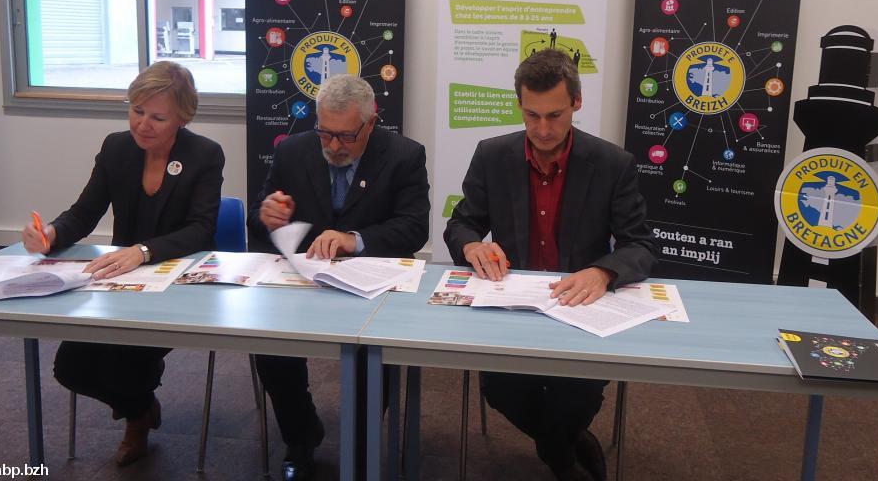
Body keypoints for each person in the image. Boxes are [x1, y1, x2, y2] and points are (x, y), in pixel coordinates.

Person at [444, 49, 656, 481]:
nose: (542, 129)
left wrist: (604, 271)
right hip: (510, 307)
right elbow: (462, 223)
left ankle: (561, 449)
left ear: (576, 103)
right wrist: (471, 248)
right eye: (531, 115)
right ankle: (565, 452)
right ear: (519, 105)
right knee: (501, 390)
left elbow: (640, 245)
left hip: (579, 309)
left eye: (555, 115)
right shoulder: (493, 155)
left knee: (574, 399)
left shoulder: (613, 165)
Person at [21, 60, 225, 466]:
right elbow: (83, 212)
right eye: (136, 110)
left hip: (179, 283)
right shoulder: (116, 147)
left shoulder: (204, 155)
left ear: (183, 117)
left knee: (124, 364)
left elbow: (201, 230)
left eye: (157, 117)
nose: (142, 125)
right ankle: (141, 409)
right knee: (70, 368)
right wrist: (52, 236)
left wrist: (144, 251)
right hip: (118, 282)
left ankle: (136, 421)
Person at [248, 73, 429, 481]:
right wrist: (266, 215)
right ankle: (301, 435)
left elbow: (415, 228)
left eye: (346, 137)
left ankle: (362, 442)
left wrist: (354, 239)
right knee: (270, 346)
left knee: (371, 355)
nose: (333, 146)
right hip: (304, 282)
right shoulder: (293, 151)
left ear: (371, 121)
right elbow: (259, 216)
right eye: (324, 133)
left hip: (373, 288)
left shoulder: (404, 155)